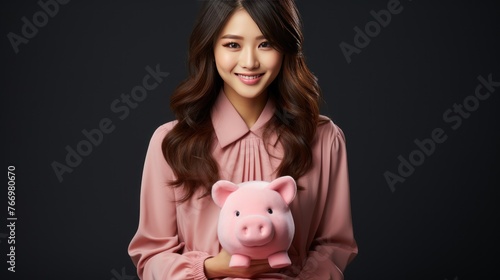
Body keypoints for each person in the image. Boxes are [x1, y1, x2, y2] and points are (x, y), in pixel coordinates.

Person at [128, 0, 358, 279]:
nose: (249, 62)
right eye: (232, 45)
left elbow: (334, 246)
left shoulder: (323, 138)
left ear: (286, 48)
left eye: (266, 44)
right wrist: (212, 268)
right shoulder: (171, 142)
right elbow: (151, 257)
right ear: (210, 48)